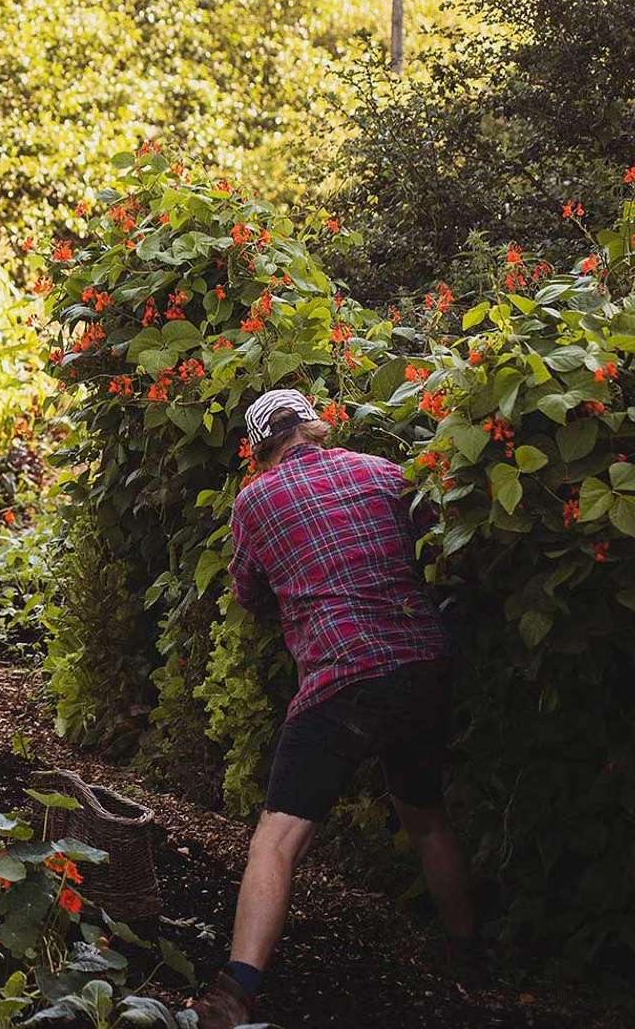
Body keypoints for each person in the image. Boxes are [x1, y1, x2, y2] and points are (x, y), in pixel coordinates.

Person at [190, 388, 474, 1029]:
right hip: (422, 664)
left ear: (259, 450)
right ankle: (470, 958)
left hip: (341, 675)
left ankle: (234, 995)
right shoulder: (385, 473)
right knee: (426, 816)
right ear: (315, 428)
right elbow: (437, 548)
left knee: (277, 839)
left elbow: (249, 594)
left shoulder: (256, 500)